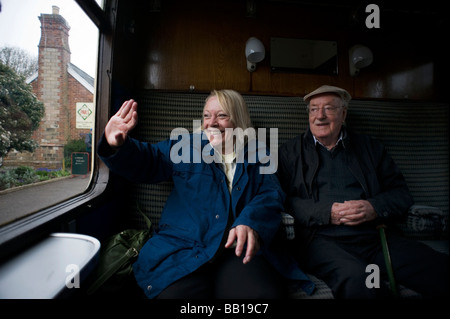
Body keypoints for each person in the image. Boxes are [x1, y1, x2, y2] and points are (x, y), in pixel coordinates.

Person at [98, 89, 312, 299]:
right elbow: (149, 160)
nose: (212, 123)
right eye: (207, 116)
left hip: (237, 249)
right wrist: (118, 144)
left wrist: (251, 221)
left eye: (222, 116)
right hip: (185, 246)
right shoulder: (185, 146)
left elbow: (270, 194)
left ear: (238, 120)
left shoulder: (259, 153)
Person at [277, 85, 449, 299]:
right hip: (320, 240)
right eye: (313, 109)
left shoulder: (371, 147)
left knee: (437, 267)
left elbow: (401, 194)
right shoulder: (289, 152)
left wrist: (373, 207)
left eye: (329, 108)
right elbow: (281, 200)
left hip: (374, 236)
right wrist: (326, 212)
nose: (319, 116)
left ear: (344, 113)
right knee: (360, 280)